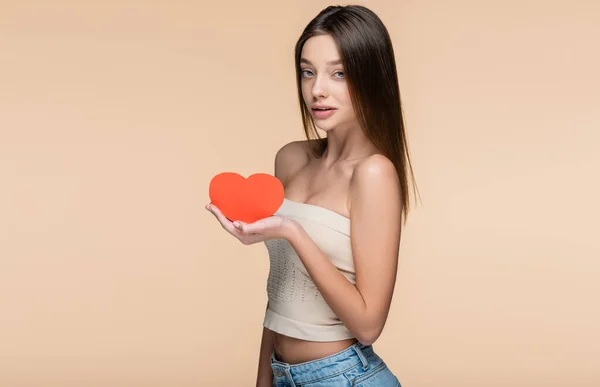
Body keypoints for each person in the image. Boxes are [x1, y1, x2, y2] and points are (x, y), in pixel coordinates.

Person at [206, 5, 417, 387]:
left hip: (344, 377)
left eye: (339, 73)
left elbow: (369, 325)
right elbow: (280, 293)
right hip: (282, 372)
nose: (317, 89)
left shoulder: (373, 173)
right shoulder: (290, 159)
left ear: (371, 78)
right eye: (308, 71)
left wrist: (293, 231)